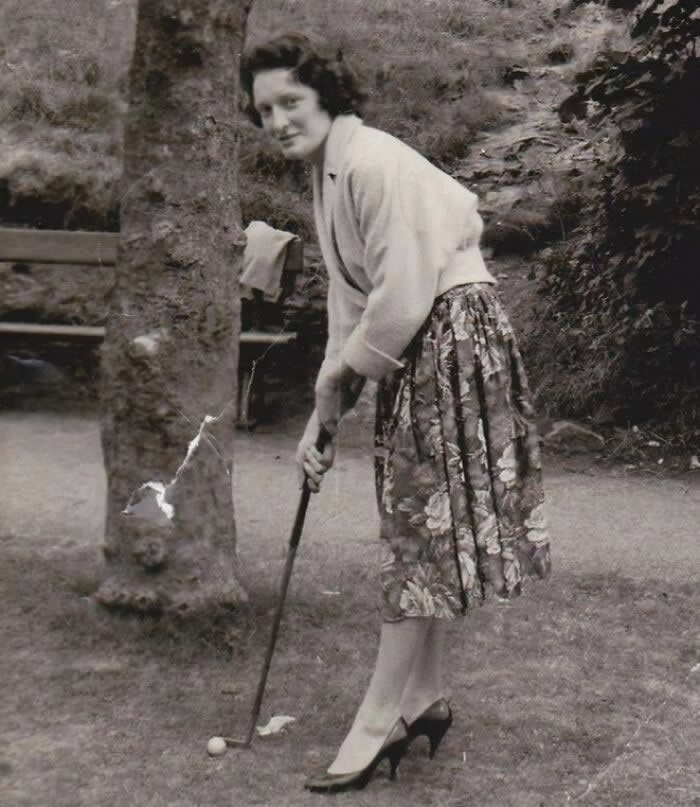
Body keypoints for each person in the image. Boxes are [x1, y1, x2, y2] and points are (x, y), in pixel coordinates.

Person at [240, 32, 552, 794]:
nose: (278, 120)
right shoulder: (330, 171)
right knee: (425, 531)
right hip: (421, 342)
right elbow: (353, 310)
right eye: (264, 110)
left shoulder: (372, 162)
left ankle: (379, 719)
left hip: (447, 336)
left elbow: (404, 298)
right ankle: (422, 697)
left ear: (327, 98)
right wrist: (322, 419)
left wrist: (335, 386)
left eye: (291, 102)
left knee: (418, 535)